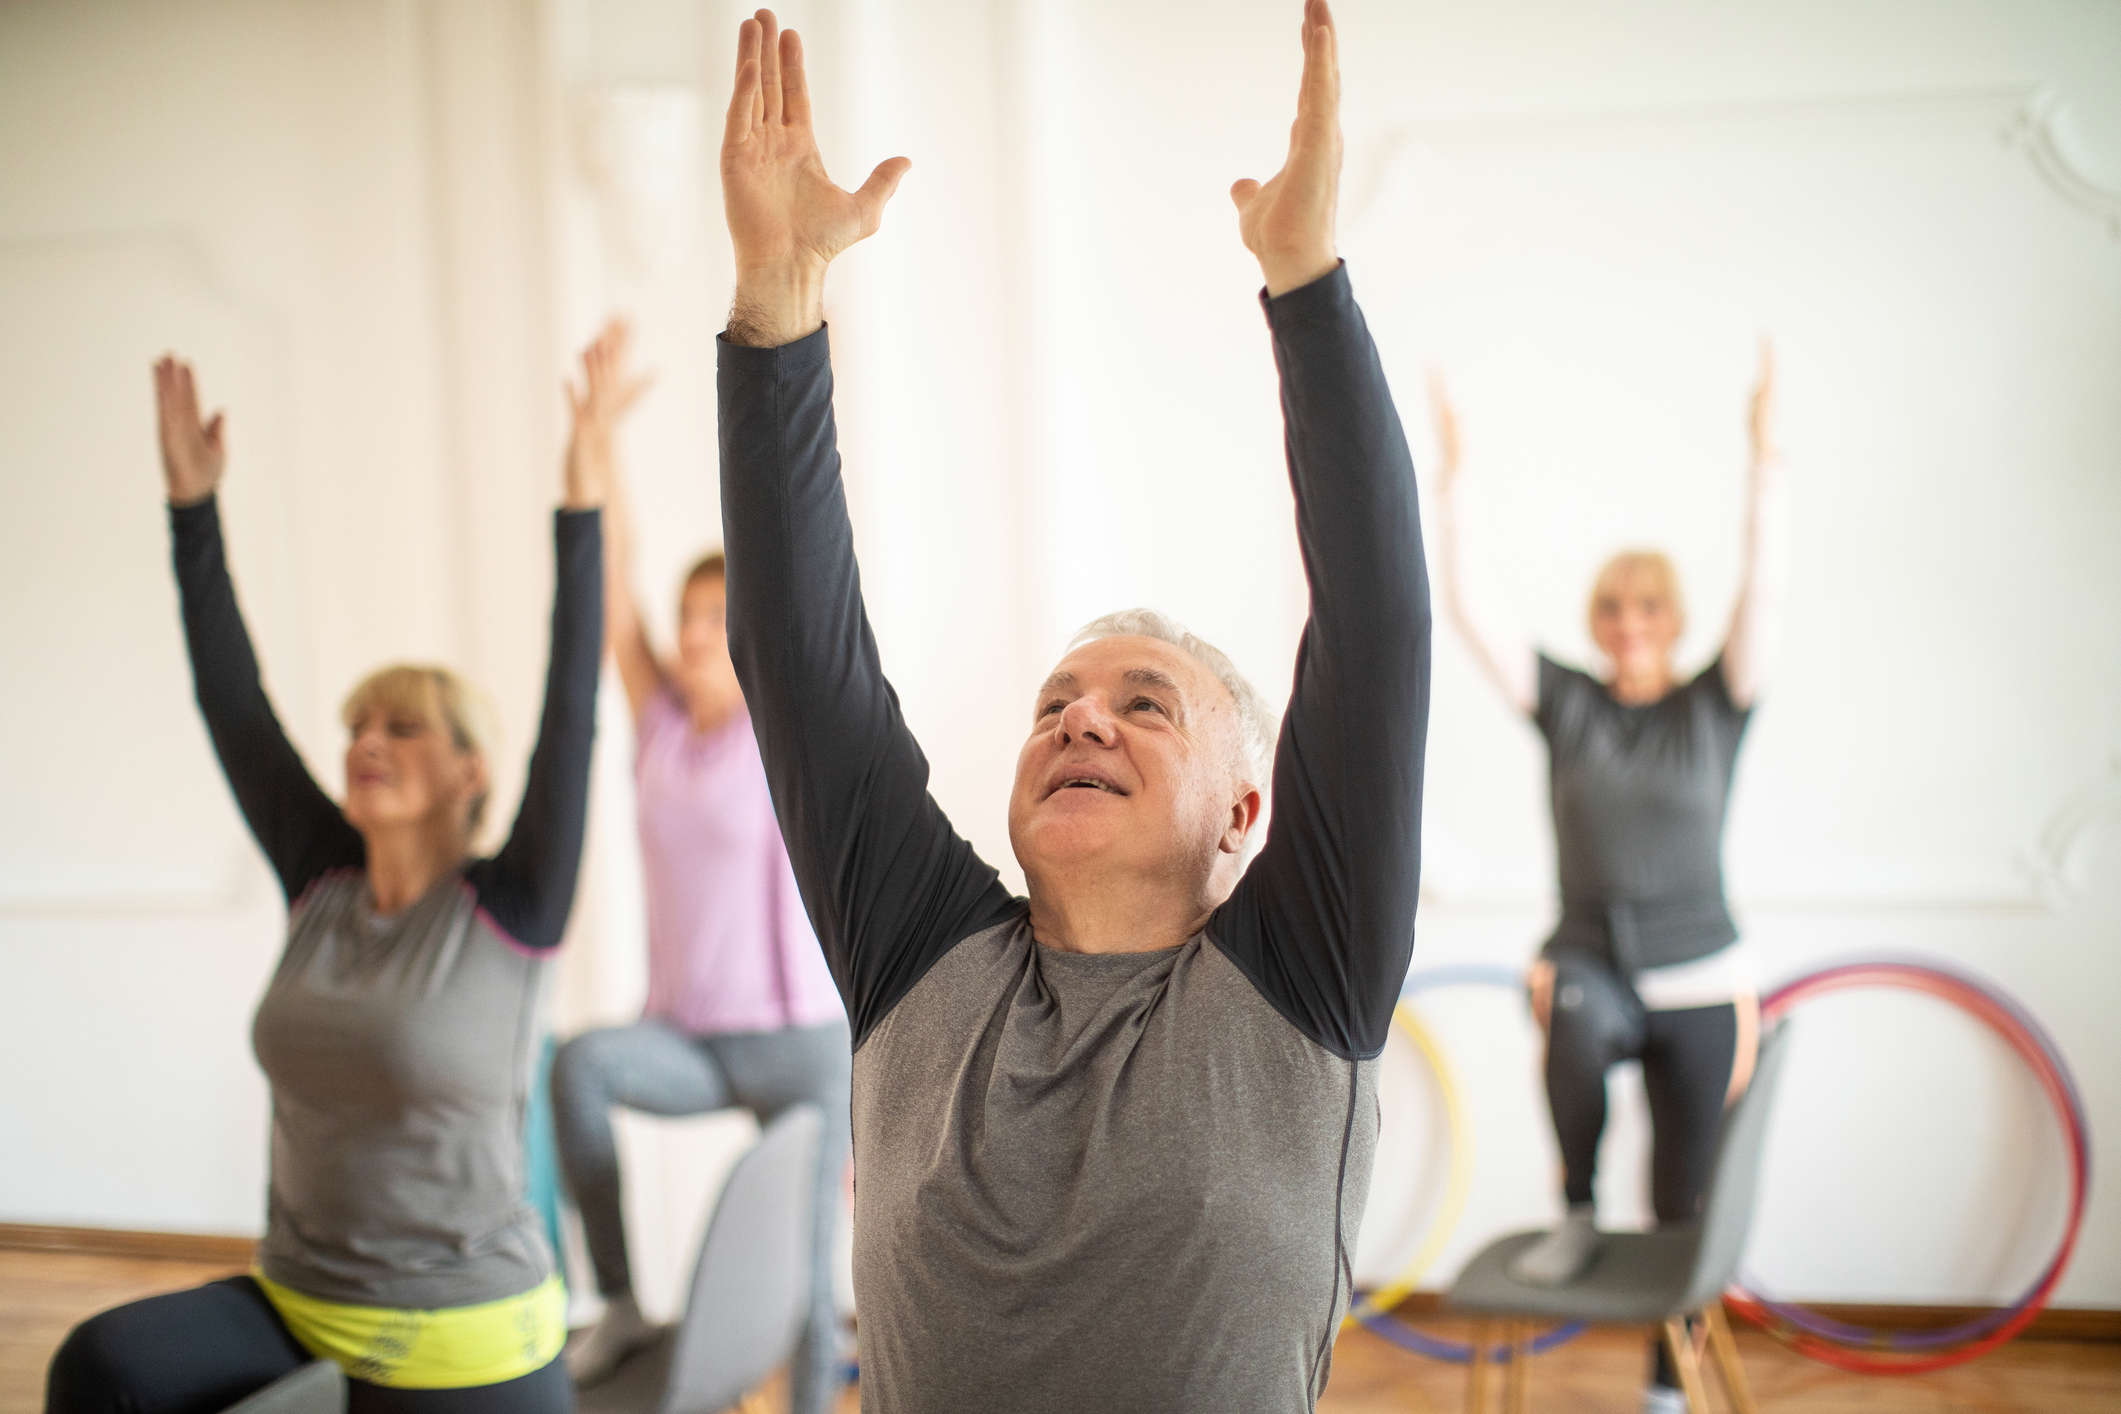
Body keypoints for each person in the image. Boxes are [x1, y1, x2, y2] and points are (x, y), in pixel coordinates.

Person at [712, 4, 1428, 1410]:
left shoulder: (1304, 973)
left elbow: (1379, 633)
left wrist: (1304, 284)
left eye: (1143, 703)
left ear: (1242, 809)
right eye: (1057, 700)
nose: (1080, 719)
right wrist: (778, 309)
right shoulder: (922, 955)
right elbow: (799, 662)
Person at [46, 351, 606, 1414]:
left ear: (469, 770)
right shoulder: (320, 881)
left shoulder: (512, 904)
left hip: (466, 1331)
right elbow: (233, 701)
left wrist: (581, 503)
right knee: (100, 1365)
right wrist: (192, 507)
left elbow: (571, 705)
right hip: (299, 1297)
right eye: (356, 723)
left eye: (403, 726)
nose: (366, 741)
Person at [1428, 346, 1786, 1411]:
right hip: (1592, 956)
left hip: (1703, 976)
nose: (1630, 628)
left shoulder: (1718, 702)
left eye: (1650, 611)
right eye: (1613, 612)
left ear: (1675, 622)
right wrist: (1455, 483)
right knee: (1569, 1005)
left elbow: (1766, 583)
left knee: (1681, 1210)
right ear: (1596, 625)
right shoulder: (1570, 706)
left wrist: (1766, 461)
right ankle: (1576, 1209)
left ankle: (1666, 1394)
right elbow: (1475, 613)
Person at [548, 321, 850, 1410]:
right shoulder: (661, 730)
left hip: (801, 1045)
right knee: (579, 1067)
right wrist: (595, 440)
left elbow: (801, 599)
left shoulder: (785, 723)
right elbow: (613, 581)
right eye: (685, 617)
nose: (688, 635)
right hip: (685, 1038)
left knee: (814, 1286)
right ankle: (623, 1301)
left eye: (716, 619)